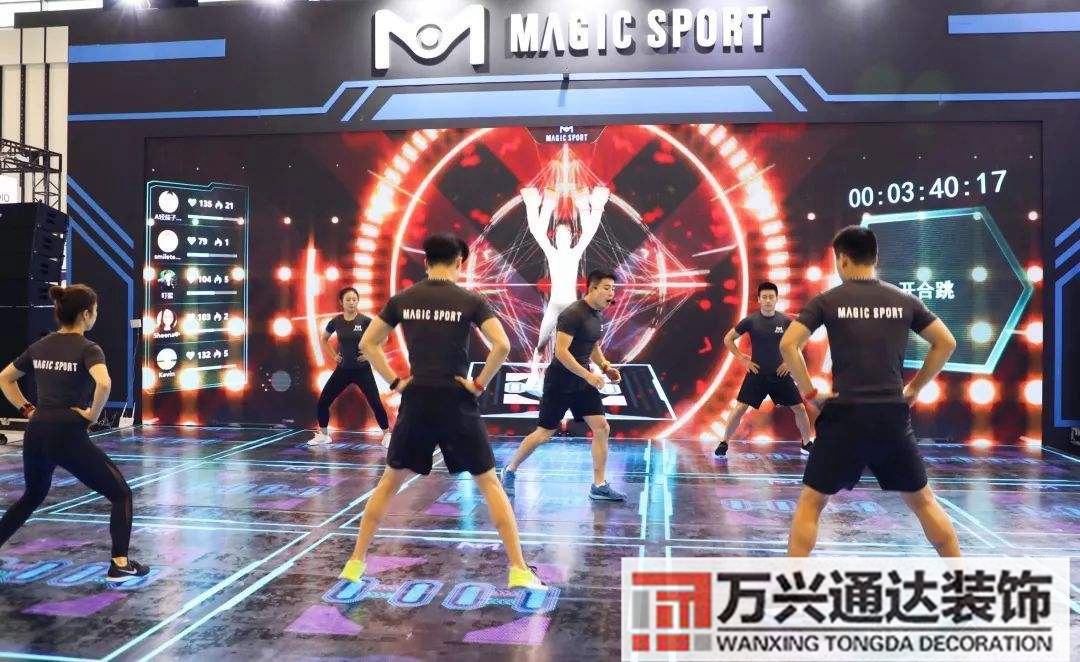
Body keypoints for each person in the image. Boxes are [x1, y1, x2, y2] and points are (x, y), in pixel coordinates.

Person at [338, 233, 544, 589]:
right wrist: (478, 384)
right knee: (489, 484)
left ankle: (354, 564)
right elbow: (502, 345)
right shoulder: (470, 300)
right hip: (456, 400)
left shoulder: (404, 299)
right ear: (459, 262)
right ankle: (518, 570)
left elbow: (369, 343)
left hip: (417, 399)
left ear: (426, 261)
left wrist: (396, 382)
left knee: (388, 483)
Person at [779, 226, 961, 557]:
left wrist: (810, 393)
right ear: (875, 258)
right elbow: (946, 342)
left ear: (842, 260)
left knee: (811, 503)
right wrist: (914, 388)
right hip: (890, 416)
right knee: (923, 502)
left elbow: (789, 344)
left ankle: (791, 582)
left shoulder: (827, 301)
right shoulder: (904, 300)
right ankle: (962, 579)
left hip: (844, 416)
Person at [0, 284, 150, 582]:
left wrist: (27, 409)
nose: (96, 315)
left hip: (37, 431)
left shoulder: (40, 346)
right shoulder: (88, 348)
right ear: (85, 314)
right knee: (121, 494)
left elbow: (5, 378)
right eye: (95, 310)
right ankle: (120, 564)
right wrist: (92, 415)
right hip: (66, 432)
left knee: (33, 495)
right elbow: (104, 383)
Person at [501, 269, 625, 502]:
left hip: (582, 382)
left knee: (602, 427)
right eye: (607, 288)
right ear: (593, 288)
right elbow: (561, 352)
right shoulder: (572, 314)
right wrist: (588, 375)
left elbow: (592, 345)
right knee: (544, 433)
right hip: (560, 381)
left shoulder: (597, 316)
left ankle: (599, 485)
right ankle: (510, 469)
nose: (612, 293)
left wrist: (605, 366)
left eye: (613, 289)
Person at [521, 185, 609, 395]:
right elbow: (536, 232)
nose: (562, 237)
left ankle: (598, 373)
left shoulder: (575, 252)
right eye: (559, 234)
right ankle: (534, 375)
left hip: (573, 309)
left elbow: (590, 232)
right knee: (542, 343)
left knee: (589, 343)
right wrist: (540, 206)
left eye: (566, 234)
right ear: (555, 237)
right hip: (555, 306)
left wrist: (590, 206)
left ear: (571, 237)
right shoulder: (551, 252)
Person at [715, 282, 813, 457]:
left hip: (780, 374)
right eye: (765, 297)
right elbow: (728, 339)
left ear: (776, 299)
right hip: (757, 374)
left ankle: (806, 443)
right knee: (739, 408)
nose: (768, 300)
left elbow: (802, 339)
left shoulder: (785, 321)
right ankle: (723, 443)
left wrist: (789, 362)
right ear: (759, 299)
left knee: (799, 408)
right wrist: (741, 358)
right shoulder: (751, 321)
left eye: (771, 297)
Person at [309, 287, 391, 447]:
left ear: (358, 301)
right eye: (348, 300)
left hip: (362, 370)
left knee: (375, 403)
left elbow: (384, 337)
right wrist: (334, 356)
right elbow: (324, 339)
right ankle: (324, 435)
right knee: (323, 401)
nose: (351, 302)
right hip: (343, 370)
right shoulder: (336, 321)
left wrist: (369, 354)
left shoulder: (365, 321)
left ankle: (387, 434)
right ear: (341, 302)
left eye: (354, 299)